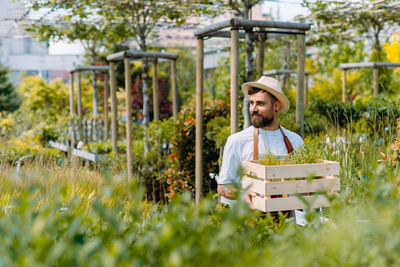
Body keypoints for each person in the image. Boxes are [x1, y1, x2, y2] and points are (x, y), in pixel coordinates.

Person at [217, 76, 304, 208]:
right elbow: (223, 186)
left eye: (260, 103)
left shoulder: (295, 141)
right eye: (251, 103)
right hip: (248, 221)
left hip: (287, 220)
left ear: (276, 106)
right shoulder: (237, 141)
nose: (253, 109)